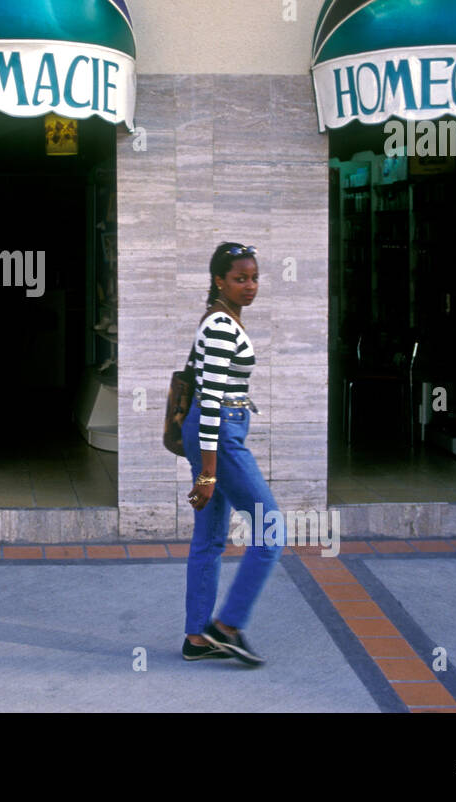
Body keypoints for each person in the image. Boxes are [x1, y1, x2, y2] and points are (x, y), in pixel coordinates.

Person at [180, 242, 282, 666]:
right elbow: (211, 399)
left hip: (214, 432)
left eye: (254, 277)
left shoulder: (222, 319)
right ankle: (227, 627)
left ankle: (196, 638)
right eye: (240, 278)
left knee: (209, 538)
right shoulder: (221, 325)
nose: (250, 286)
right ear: (219, 280)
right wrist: (208, 472)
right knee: (270, 530)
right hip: (218, 433)